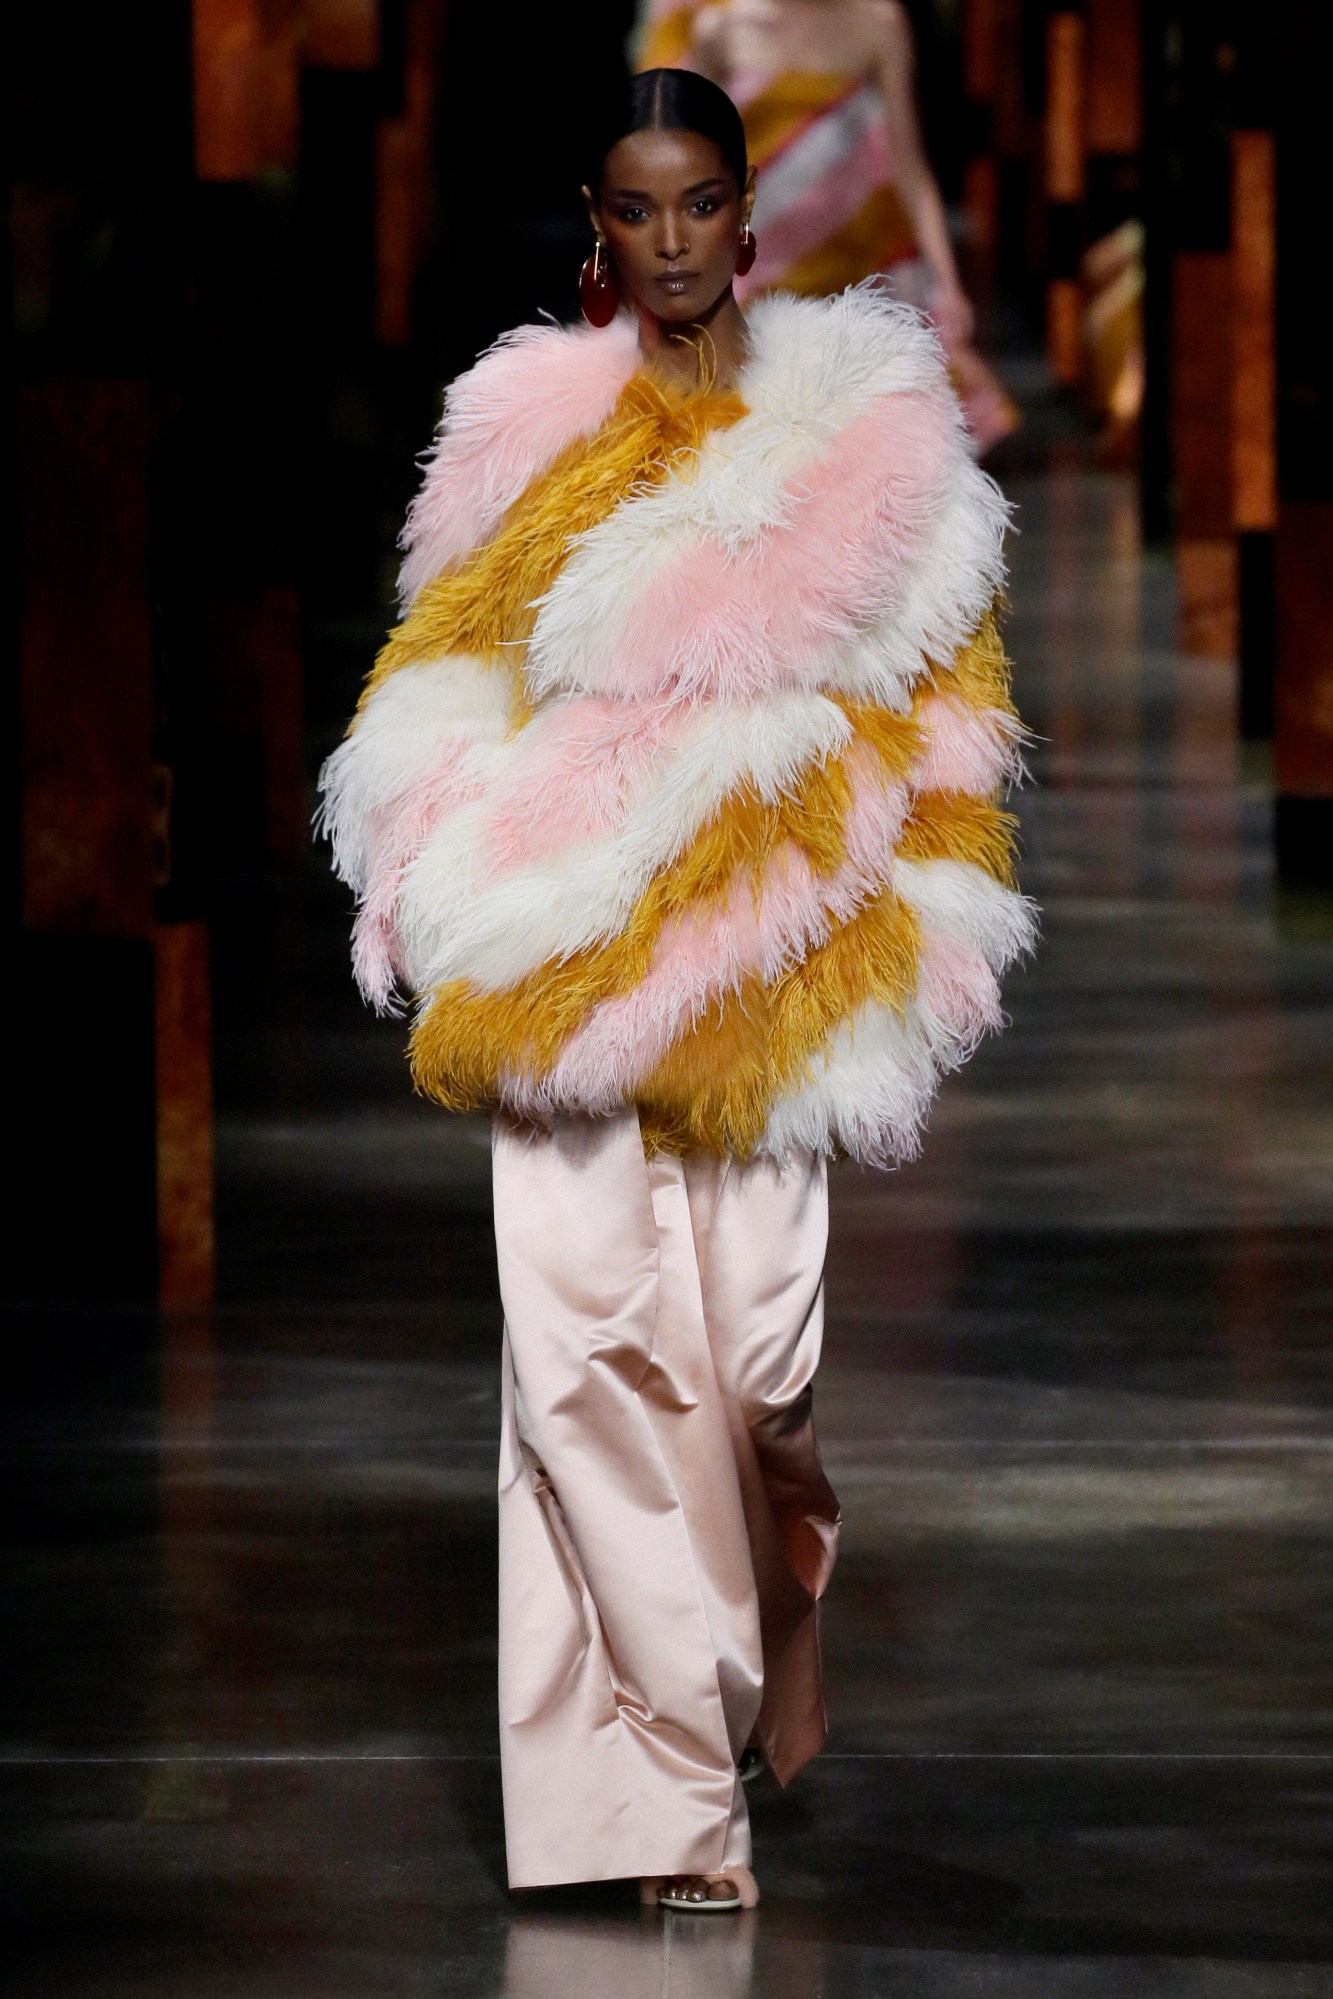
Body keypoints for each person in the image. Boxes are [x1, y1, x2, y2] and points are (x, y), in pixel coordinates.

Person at [320, 67, 1033, 1913]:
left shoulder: (862, 438)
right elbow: (441, 669)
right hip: (563, 968)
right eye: (634, 212)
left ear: (743, 210)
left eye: (698, 205)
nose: (667, 244)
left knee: (754, 1379)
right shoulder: (528, 430)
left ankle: (741, 1659)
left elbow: (950, 708)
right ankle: (656, 1816)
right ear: (596, 217)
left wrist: (932, 927)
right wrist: (435, 872)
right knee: (579, 1386)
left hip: (774, 970)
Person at [636, 0, 1019, 450]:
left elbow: (910, 167)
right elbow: (687, 171)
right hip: (757, 276)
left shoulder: (877, 23)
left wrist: (949, 283)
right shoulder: (723, 30)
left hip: (862, 277)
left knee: (884, 447)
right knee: (752, 439)